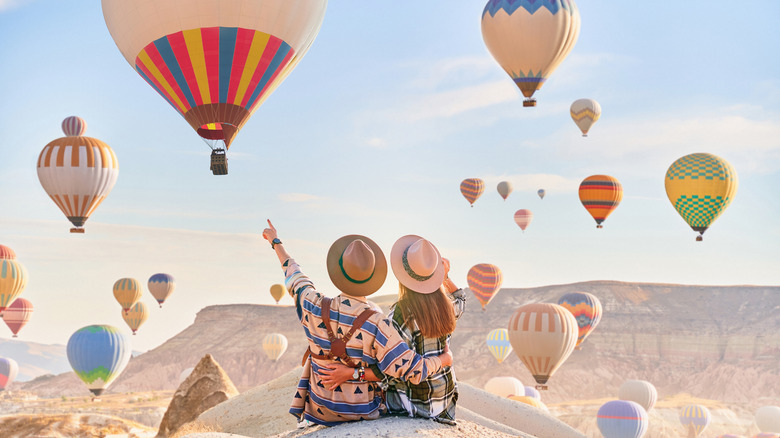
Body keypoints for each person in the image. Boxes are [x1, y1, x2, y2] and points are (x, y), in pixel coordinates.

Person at [261, 221, 453, 427]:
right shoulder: (379, 324)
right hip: (363, 411)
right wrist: (445, 359)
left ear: (338, 271)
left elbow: (294, 274)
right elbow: (414, 371)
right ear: (372, 277)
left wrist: (276, 242)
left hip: (320, 408)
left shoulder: (312, 303)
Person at [320, 235, 465, 425]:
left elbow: (387, 371)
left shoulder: (400, 315)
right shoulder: (446, 305)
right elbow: (461, 299)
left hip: (414, 404)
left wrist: (350, 374)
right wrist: (445, 278)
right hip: (444, 400)